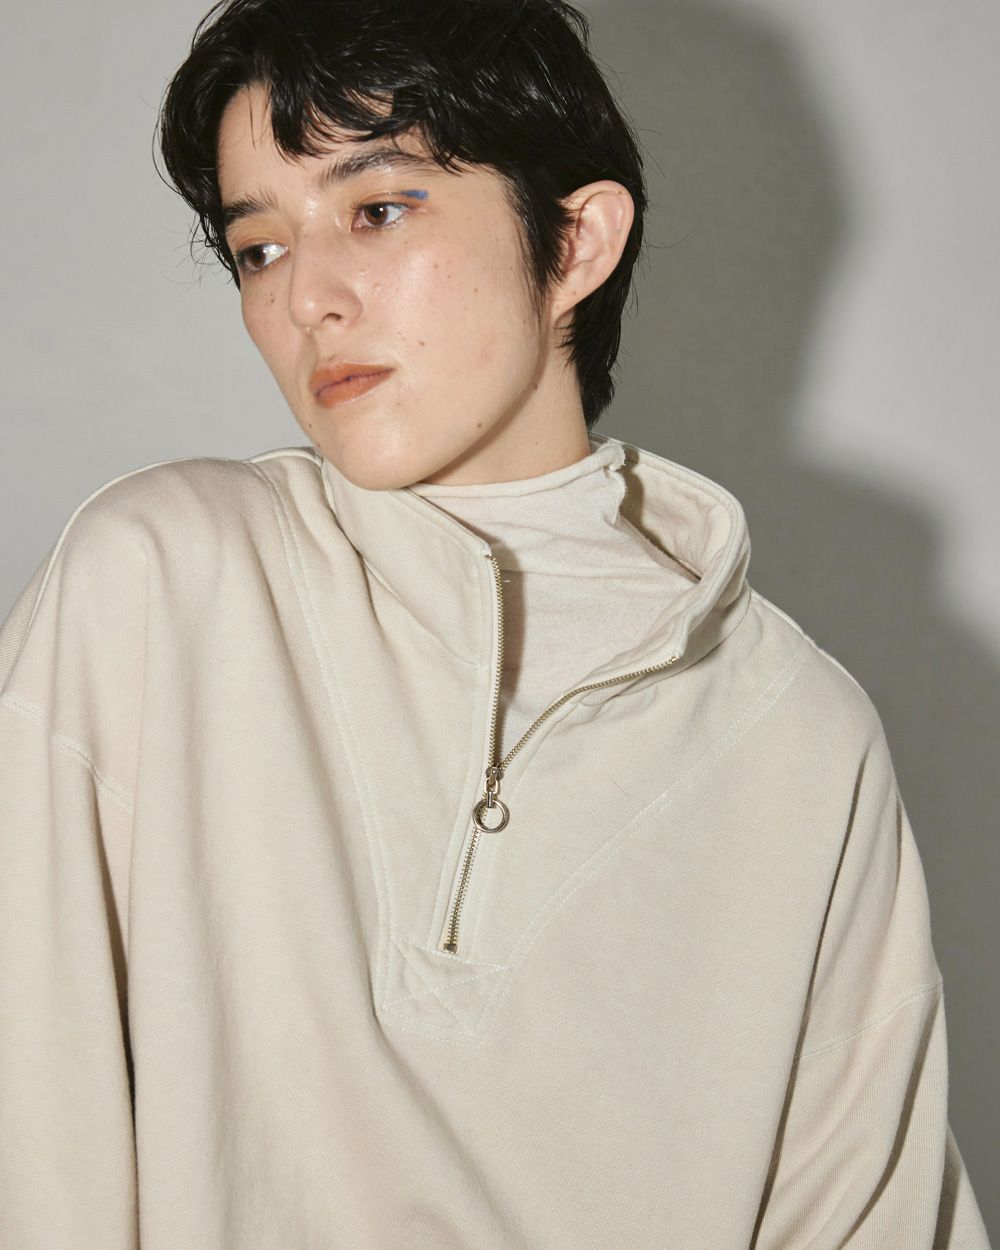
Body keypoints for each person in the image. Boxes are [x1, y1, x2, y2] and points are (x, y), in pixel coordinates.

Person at [0, 0, 991, 1245]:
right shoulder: (161, 582)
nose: (306, 297)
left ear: (575, 241)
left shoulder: (801, 739)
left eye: (378, 209)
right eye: (259, 247)